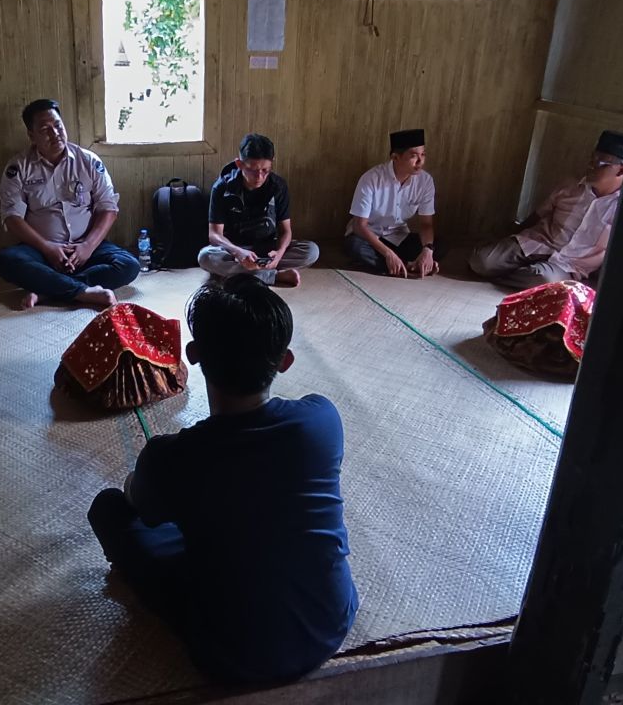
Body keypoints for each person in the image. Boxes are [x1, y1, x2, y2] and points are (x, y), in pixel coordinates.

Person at [87, 275, 358, 684]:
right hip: (333, 618)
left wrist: (145, 478)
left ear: (193, 355)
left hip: (235, 654)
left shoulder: (171, 458)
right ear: (285, 360)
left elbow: (138, 504)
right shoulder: (322, 419)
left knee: (109, 508)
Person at [0, 99, 139, 310]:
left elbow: (108, 208)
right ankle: (83, 292)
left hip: (86, 246)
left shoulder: (88, 161)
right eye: (45, 129)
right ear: (31, 135)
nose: (55, 134)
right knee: (6, 261)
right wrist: (48, 248)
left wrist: (87, 246)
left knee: (129, 265)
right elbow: (12, 217)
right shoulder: (19, 167)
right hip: (42, 250)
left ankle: (47, 290)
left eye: (58, 126)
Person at [469, 130, 623, 289]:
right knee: (482, 261)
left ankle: (520, 276)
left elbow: (617, 255)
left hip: (569, 265)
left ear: (621, 169)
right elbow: (538, 214)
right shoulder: (570, 186)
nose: (591, 166)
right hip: (539, 243)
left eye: (600, 163)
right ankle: (516, 273)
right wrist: (514, 236)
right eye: (591, 159)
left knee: (542, 279)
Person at [197, 133, 318, 287]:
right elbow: (214, 235)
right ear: (239, 164)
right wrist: (237, 252)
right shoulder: (223, 187)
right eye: (253, 170)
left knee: (311, 251)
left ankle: (240, 273)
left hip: (266, 249)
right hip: (235, 251)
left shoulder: (278, 186)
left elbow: (286, 231)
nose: (259, 177)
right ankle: (272, 276)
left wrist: (279, 254)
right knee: (205, 256)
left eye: (265, 170)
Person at [344, 129, 441, 278]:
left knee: (437, 245)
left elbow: (426, 225)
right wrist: (388, 254)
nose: (420, 161)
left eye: (423, 155)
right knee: (355, 247)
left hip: (398, 236)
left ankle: (406, 264)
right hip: (370, 236)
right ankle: (408, 266)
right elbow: (359, 226)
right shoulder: (371, 178)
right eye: (414, 156)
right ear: (395, 157)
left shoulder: (425, 181)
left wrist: (427, 251)